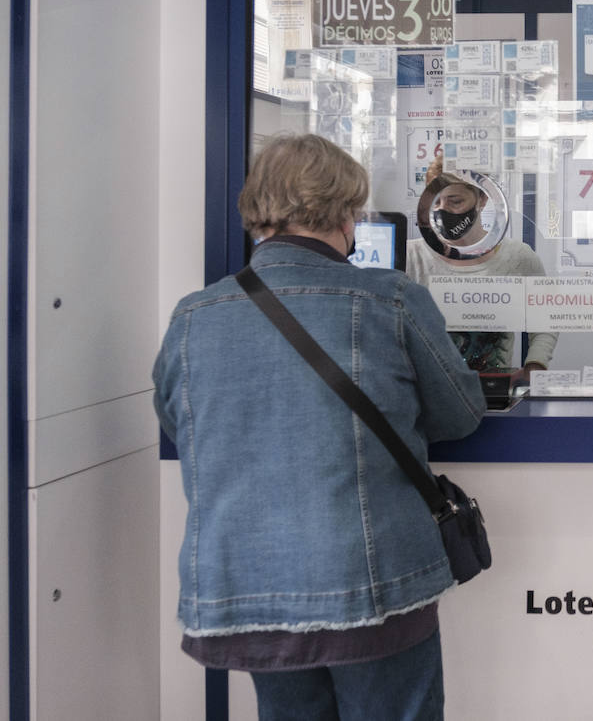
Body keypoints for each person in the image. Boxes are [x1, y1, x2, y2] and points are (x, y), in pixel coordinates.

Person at [154, 134, 486, 721]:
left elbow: (182, 428)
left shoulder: (192, 316)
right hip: (372, 581)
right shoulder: (390, 300)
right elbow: (459, 415)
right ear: (345, 215)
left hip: (254, 582)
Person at [407, 160, 556, 384]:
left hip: (493, 391)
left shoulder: (517, 257)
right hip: (426, 394)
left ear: (483, 199)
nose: (442, 210)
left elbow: (545, 321)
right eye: (436, 202)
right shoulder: (411, 256)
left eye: (455, 201)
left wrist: (534, 367)